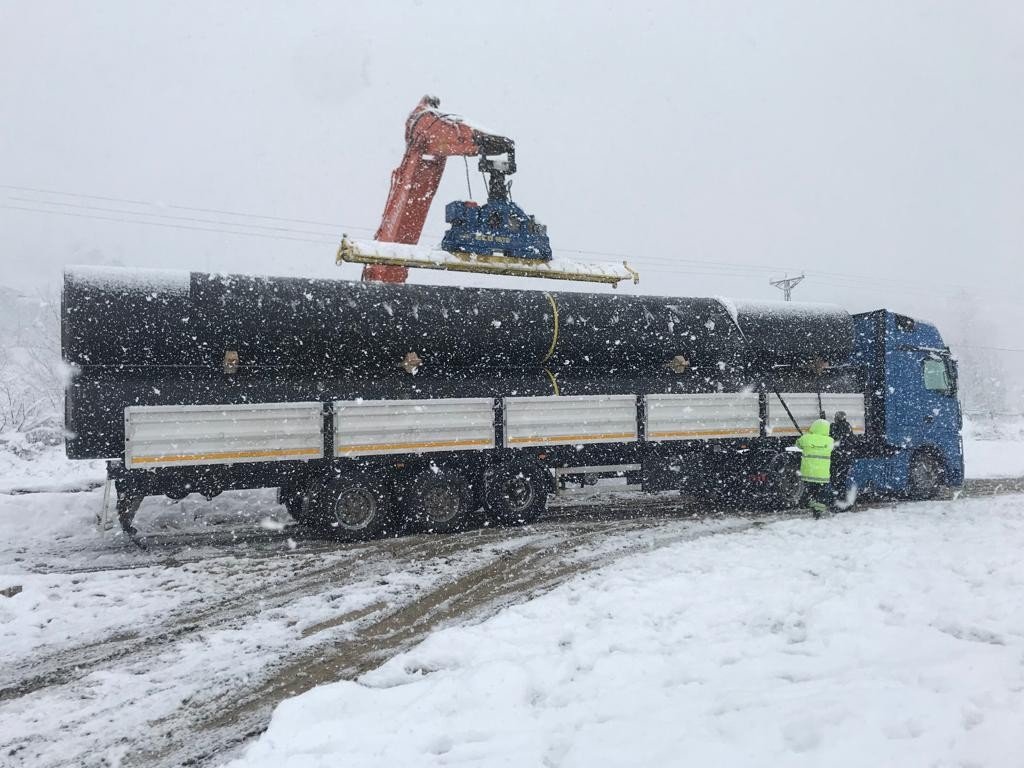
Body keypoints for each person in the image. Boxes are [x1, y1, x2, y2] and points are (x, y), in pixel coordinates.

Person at [797, 418, 835, 518]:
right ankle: (817, 512)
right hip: (822, 476)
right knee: (821, 495)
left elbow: (798, 444)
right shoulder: (830, 441)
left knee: (809, 491)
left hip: (808, 473)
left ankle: (808, 502)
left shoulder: (806, 438)